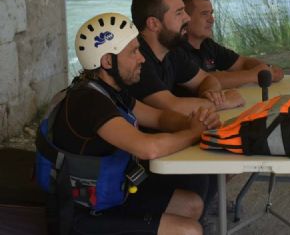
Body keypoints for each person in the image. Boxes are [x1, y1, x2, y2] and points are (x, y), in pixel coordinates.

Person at [44, 12, 219, 234]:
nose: (142, 58)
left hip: (111, 194)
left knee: (192, 204)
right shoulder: (89, 101)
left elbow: (158, 117)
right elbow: (148, 148)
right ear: (108, 61)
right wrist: (194, 133)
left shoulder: (111, 91)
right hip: (82, 214)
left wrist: (191, 121)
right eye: (133, 52)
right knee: (188, 230)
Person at [128, 0, 245, 112]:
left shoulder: (171, 51)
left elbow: (206, 78)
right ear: (153, 24)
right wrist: (224, 102)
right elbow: (172, 106)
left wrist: (211, 93)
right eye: (179, 13)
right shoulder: (135, 58)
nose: (187, 18)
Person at [180, 0, 285, 89]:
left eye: (211, 13)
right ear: (184, 18)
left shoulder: (207, 45)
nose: (211, 20)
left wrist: (267, 69)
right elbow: (204, 80)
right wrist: (255, 75)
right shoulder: (176, 50)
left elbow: (242, 63)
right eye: (204, 14)